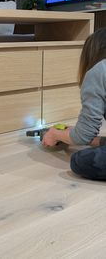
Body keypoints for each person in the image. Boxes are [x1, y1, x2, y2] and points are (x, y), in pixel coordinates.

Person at [42, 27, 106, 180]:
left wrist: (55, 133)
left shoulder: (99, 70)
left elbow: (83, 136)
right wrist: (71, 132)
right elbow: (86, 135)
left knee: (80, 161)